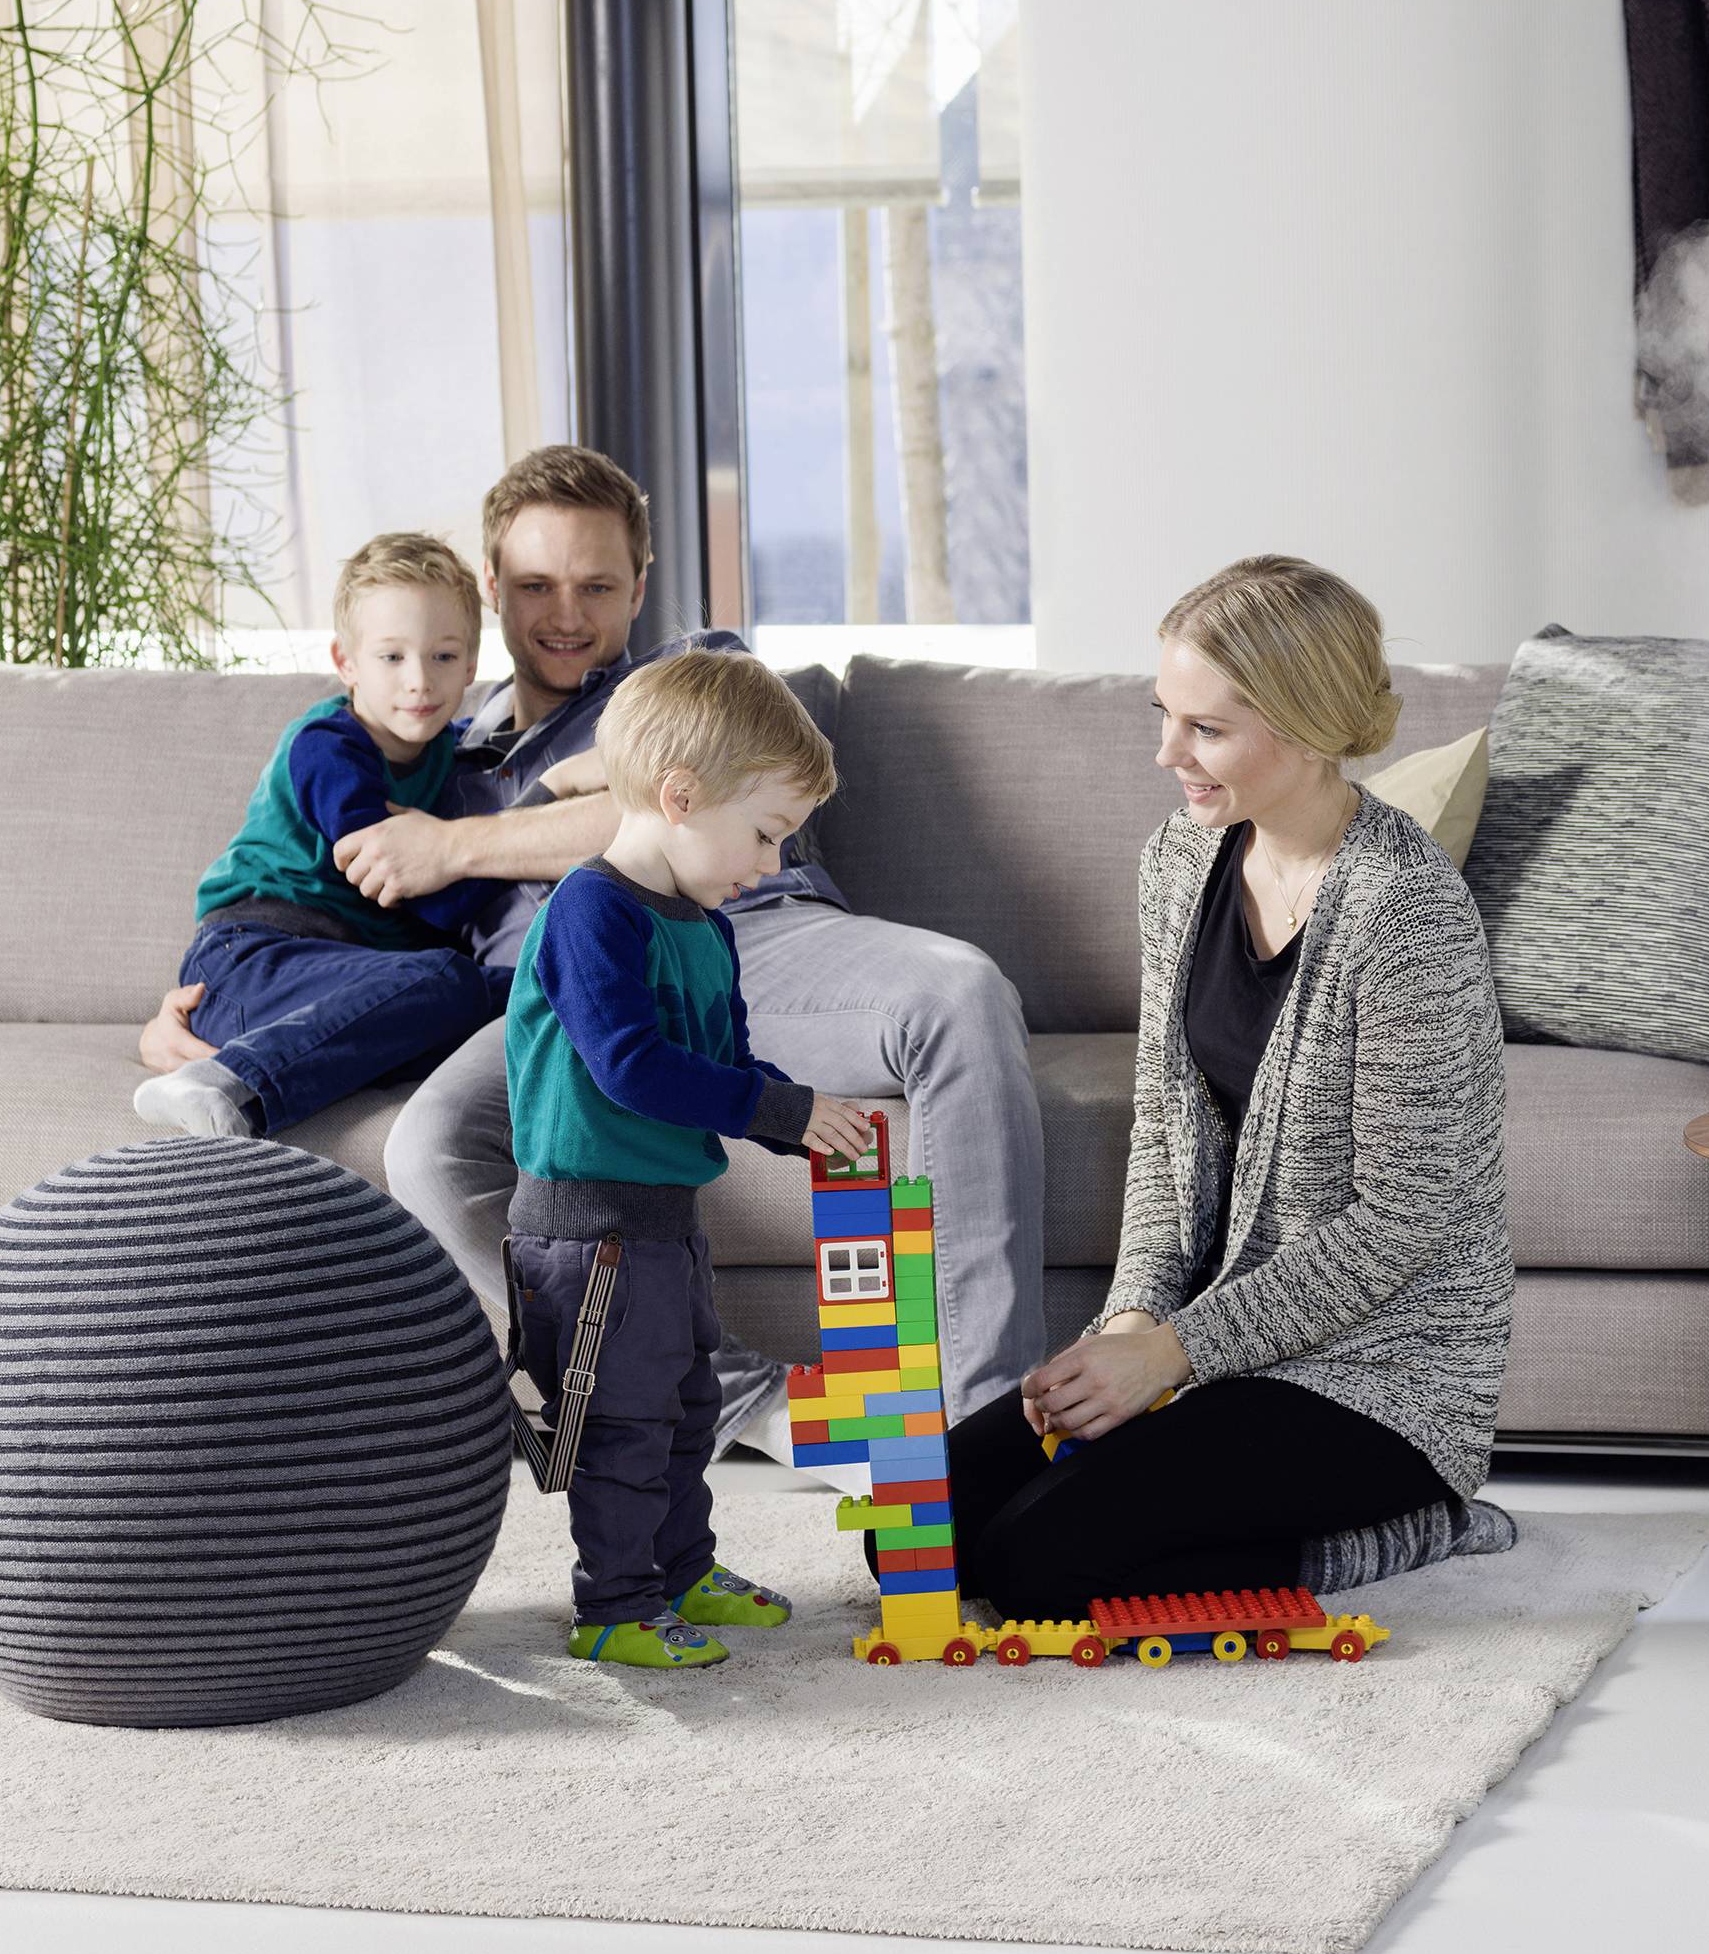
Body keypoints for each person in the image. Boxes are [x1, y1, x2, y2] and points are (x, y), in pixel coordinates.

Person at [137, 444, 1048, 1441]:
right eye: (537, 585)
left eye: (598, 585)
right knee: (430, 1148)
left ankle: (987, 1427)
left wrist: (454, 846)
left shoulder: (693, 675)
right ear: (493, 589)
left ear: (640, 587)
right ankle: (744, 1401)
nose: (566, 613)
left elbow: (664, 807)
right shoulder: (439, 753)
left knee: (957, 992)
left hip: (741, 938)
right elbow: (334, 926)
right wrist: (216, 1021)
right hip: (560, 995)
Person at [933, 556, 1512, 1619]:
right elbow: (1165, 1131)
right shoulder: (1176, 862)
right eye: (1165, 715)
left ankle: (1424, 1521)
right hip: (1201, 1337)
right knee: (915, 1532)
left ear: (1305, 726)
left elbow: (1401, 1220)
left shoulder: (1406, 913)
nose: (1168, 753)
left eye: (1204, 728)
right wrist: (1130, 1325)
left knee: (1032, 1568)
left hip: (1376, 1369)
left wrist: (1173, 1353)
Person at [507, 647, 879, 1666]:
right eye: (763, 833)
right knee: (622, 1424)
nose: (771, 862)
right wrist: (775, 1106)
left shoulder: (706, 929)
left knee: (684, 1410)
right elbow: (631, 1067)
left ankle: (679, 1571)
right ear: (679, 797)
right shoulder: (591, 910)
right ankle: (614, 1606)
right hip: (587, 1231)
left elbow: (727, 1065)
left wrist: (801, 1121)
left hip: (665, 1221)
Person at [134, 534, 516, 1140]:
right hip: (251, 961)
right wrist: (511, 848)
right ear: (346, 662)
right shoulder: (328, 748)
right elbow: (405, 884)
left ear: (472, 664)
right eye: (392, 657)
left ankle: (294, 1060)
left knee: (503, 1002)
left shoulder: (453, 752)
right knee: (453, 980)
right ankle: (229, 1081)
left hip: (352, 979)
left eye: (443, 656)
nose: (419, 680)